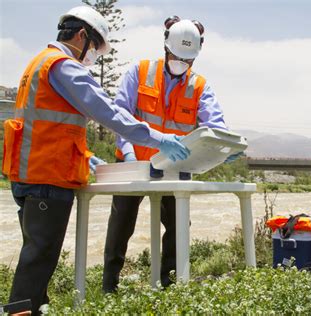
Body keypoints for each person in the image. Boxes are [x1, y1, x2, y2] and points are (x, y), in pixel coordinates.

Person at [2, 6, 189, 314]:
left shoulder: (38, 63)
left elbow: (47, 126)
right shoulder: (64, 66)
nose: (94, 57)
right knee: (38, 260)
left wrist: (86, 157)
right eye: (96, 49)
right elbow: (110, 113)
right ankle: (19, 311)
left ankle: (34, 308)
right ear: (81, 36)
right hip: (47, 178)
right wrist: (159, 139)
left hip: (27, 174)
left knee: (37, 257)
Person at [102, 16, 238, 292]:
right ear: (165, 47)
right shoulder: (139, 72)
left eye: (188, 59)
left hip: (174, 165)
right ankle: (108, 287)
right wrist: (129, 154)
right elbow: (119, 114)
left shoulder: (199, 86)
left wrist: (226, 146)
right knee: (121, 225)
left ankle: (169, 284)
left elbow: (215, 124)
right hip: (134, 161)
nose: (181, 62)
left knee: (178, 225)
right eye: (177, 56)